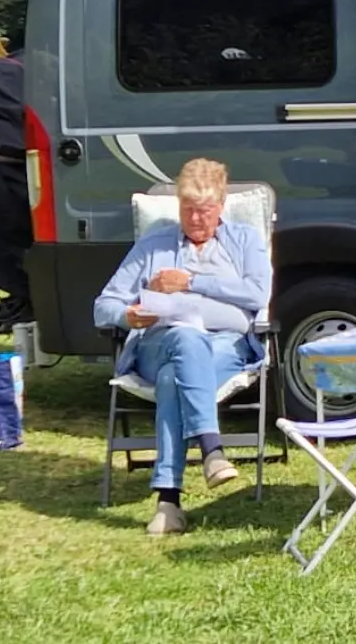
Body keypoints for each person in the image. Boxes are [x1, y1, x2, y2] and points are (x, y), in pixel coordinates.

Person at [93, 158, 271, 536]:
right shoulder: (154, 242)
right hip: (157, 343)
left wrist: (191, 281)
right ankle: (211, 449)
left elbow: (258, 293)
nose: (195, 220)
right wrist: (129, 316)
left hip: (225, 346)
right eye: (188, 210)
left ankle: (168, 501)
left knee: (177, 375)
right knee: (184, 339)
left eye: (204, 211)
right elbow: (102, 305)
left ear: (221, 207)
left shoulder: (244, 240)